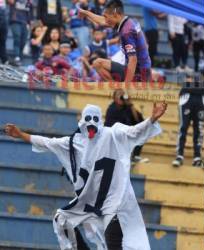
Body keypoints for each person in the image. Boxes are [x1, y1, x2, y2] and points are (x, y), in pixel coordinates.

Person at [4, 101, 167, 250]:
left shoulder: (112, 134)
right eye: (88, 118)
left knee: (113, 242)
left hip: (113, 201)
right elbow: (47, 142)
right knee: (62, 219)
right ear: (82, 120)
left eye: (95, 118)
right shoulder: (73, 143)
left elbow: (134, 132)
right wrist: (20, 134)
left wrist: (151, 119)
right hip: (89, 201)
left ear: (101, 120)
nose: (91, 122)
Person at [78, 0, 152, 82]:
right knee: (98, 63)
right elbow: (102, 21)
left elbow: (133, 60)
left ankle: (117, 90)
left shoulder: (126, 32)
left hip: (140, 75)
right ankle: (117, 88)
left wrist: (126, 87)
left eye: (106, 17)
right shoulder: (127, 21)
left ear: (115, 15)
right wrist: (86, 13)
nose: (105, 20)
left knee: (98, 63)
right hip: (142, 71)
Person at [172, 76, 204, 167]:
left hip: (201, 101)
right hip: (187, 100)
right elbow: (184, 87)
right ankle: (179, 156)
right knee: (183, 128)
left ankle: (197, 158)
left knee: (199, 131)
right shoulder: (189, 86)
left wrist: (189, 87)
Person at [105, 89, 145, 164]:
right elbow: (110, 126)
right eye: (119, 94)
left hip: (126, 134)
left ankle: (135, 156)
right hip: (115, 135)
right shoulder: (111, 109)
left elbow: (139, 121)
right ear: (114, 98)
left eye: (122, 94)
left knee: (142, 131)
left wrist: (131, 104)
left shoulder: (127, 108)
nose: (121, 96)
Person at [8, 0, 33, 66]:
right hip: (15, 21)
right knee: (17, 37)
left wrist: (30, 23)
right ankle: (17, 57)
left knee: (23, 41)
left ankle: (19, 57)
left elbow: (30, 13)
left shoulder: (29, 2)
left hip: (25, 22)